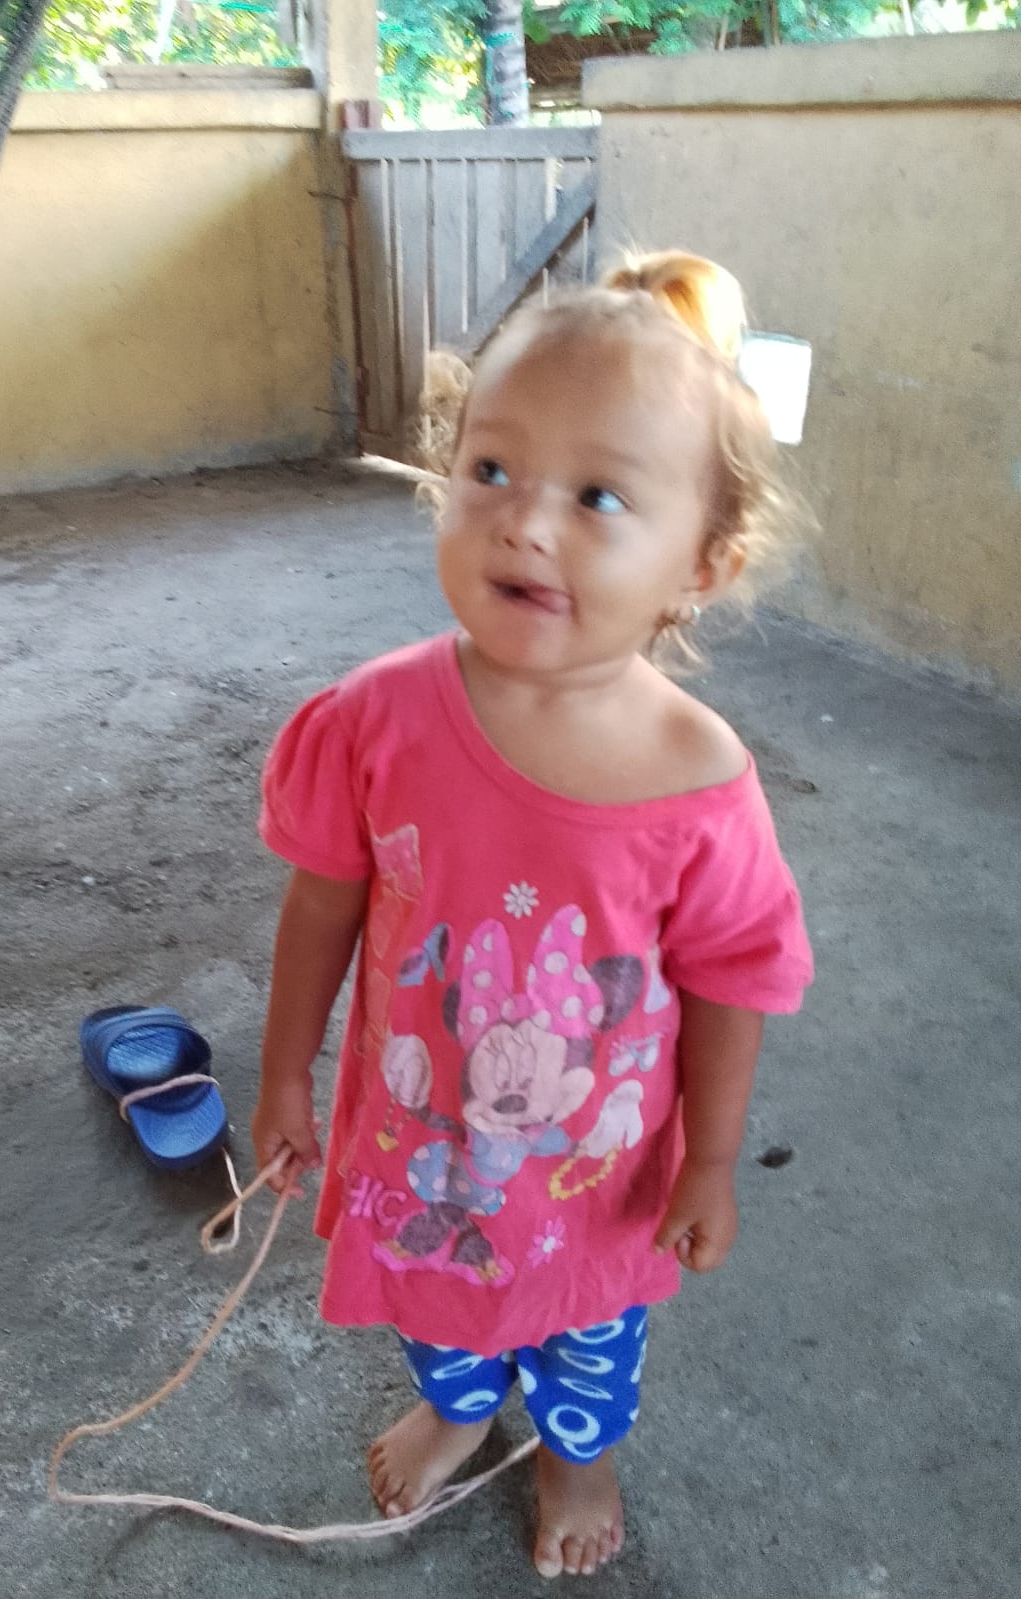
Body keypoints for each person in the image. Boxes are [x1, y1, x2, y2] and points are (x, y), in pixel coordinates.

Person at [252, 251, 814, 1579]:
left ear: (703, 563)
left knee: (589, 1339)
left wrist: (712, 1157)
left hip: (592, 1177)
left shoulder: (699, 782)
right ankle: (459, 1410)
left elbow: (732, 981)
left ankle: (578, 1456)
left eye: (598, 496)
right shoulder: (373, 720)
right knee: (438, 1319)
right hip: (420, 1146)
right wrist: (282, 1073)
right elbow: (324, 900)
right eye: (492, 469)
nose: (525, 524)